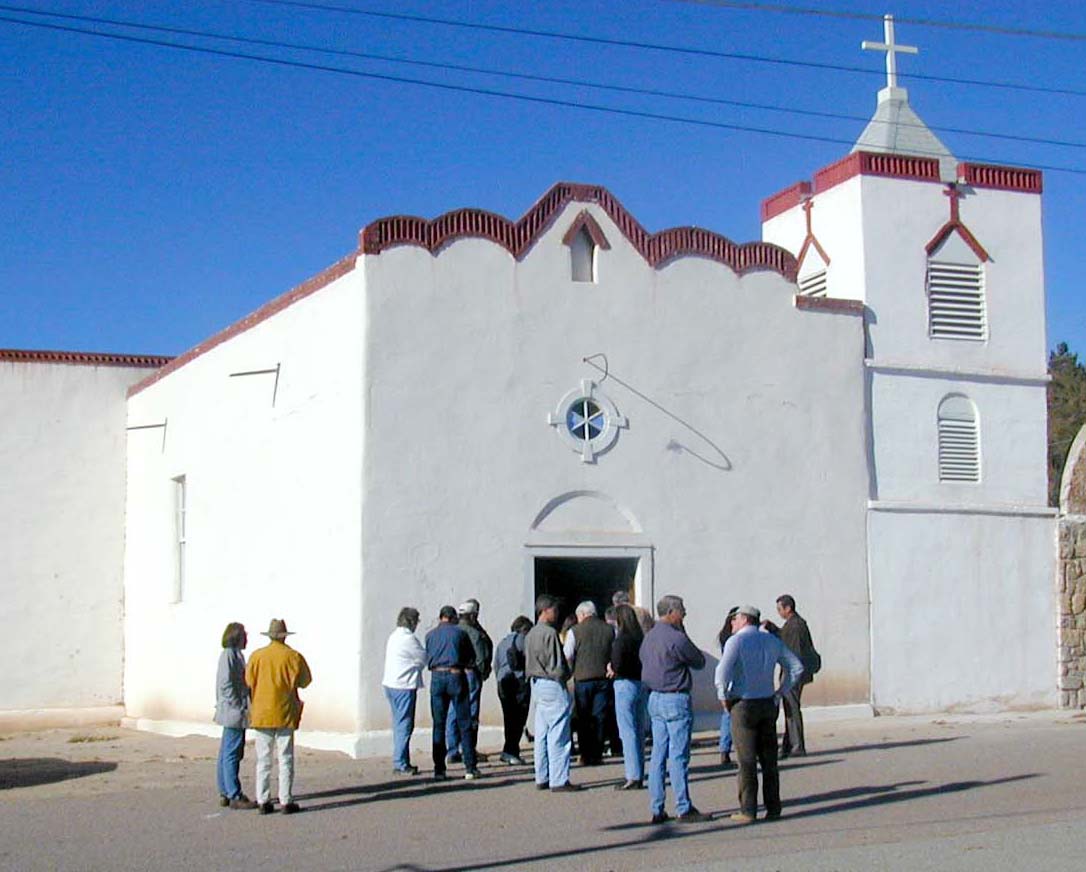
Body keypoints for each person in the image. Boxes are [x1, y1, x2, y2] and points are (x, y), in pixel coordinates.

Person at [716, 605, 804, 824]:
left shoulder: (735, 641)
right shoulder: (771, 641)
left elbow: (722, 672)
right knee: (769, 759)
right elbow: (796, 667)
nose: (732, 624)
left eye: (735, 619)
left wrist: (723, 695)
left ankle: (748, 809)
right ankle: (773, 807)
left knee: (746, 760)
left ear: (745, 619)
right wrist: (780, 692)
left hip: (743, 703)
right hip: (767, 702)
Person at [639, 594, 710, 824]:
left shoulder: (648, 637)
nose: (684, 614)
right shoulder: (676, 638)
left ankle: (657, 807)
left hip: (655, 698)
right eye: (682, 610)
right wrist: (683, 632)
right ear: (672, 612)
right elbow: (698, 660)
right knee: (678, 756)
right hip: (675, 697)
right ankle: (683, 805)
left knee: (658, 755)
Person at [245, 618, 312, 815]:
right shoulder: (293, 656)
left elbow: (249, 681)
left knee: (263, 758)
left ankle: (263, 799)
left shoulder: (257, 656)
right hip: (285, 711)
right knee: (285, 757)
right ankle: (285, 799)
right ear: (284, 636)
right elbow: (305, 681)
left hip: (262, 712)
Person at [525, 593, 579, 791]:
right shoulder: (549, 633)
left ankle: (542, 776)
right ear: (545, 610)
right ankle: (559, 779)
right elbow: (558, 664)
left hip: (537, 683)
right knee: (559, 733)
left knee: (542, 733)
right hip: (552, 682)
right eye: (554, 610)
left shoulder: (531, 633)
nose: (556, 614)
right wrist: (566, 676)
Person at [425, 605, 479, 780]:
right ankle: (470, 767)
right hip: (456, 675)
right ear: (453, 617)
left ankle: (439, 769)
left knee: (438, 724)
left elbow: (428, 657)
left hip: (436, 676)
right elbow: (470, 658)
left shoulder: (430, 635)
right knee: (464, 722)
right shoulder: (460, 633)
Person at [765, 595, 819, 759]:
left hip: (792, 674)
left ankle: (797, 745)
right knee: (789, 707)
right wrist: (774, 629)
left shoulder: (795, 625)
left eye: (779, 609)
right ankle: (789, 745)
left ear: (787, 608)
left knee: (792, 709)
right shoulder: (794, 624)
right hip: (793, 672)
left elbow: (793, 651)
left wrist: (789, 675)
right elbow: (784, 637)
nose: (779, 612)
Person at [563, 601, 614, 766]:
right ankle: (597, 754)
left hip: (583, 679)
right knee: (600, 716)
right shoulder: (609, 629)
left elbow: (567, 655)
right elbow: (615, 651)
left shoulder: (574, 631)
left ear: (583, 614)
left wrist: (570, 673)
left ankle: (585, 754)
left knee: (584, 717)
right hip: (603, 678)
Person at [214, 621, 256, 809]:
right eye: (244, 635)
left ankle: (225, 789)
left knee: (227, 752)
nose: (247, 638)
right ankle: (233, 793)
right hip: (233, 711)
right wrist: (238, 704)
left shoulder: (235, 655)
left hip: (233, 709)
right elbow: (226, 683)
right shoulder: (229, 656)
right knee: (232, 752)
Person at [446, 599, 492, 766]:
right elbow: (481, 657)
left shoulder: (454, 630)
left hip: (454, 673)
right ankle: (468, 749)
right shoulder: (473, 633)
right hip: (471, 673)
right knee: (471, 712)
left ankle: (452, 750)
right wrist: (483, 672)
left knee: (453, 711)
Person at [382, 606, 426, 775]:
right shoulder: (409, 639)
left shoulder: (394, 636)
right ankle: (400, 763)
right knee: (404, 725)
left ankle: (403, 760)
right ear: (411, 622)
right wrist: (417, 664)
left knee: (399, 724)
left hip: (391, 684)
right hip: (404, 686)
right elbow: (423, 657)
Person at [609, 603, 645, 790]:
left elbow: (617, 663)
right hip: (640, 683)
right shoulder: (640, 638)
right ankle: (639, 771)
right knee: (638, 731)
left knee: (627, 732)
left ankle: (632, 775)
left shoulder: (620, 640)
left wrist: (611, 668)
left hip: (624, 684)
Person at [494, 615, 533, 765]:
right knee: (518, 718)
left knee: (508, 717)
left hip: (502, 682)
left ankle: (508, 751)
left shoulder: (502, 643)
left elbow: (495, 665)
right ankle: (511, 751)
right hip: (518, 682)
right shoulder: (522, 640)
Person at [716, 606, 740, 769]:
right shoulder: (736, 638)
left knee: (727, 717)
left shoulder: (725, 636)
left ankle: (724, 750)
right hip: (737, 679)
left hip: (728, 679)